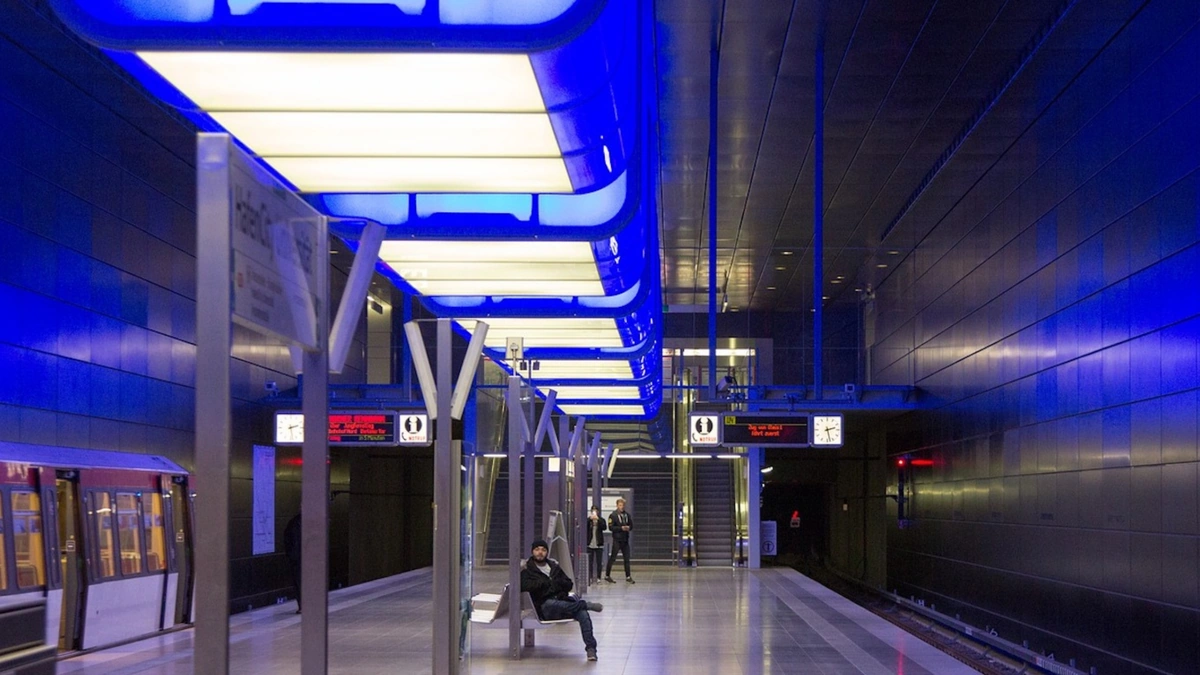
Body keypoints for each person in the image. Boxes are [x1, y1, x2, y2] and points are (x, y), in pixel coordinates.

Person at [520, 539, 603, 661]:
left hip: (563, 602)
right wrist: (546, 584)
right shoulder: (527, 570)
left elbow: (568, 583)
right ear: (532, 552)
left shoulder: (554, 567)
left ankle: (591, 649)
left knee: (583, 614)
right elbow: (525, 586)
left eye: (543, 550)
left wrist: (554, 584)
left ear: (547, 552)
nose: (540, 552)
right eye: (537, 549)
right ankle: (585, 604)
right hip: (544, 607)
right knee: (551, 604)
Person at [605, 498, 634, 583]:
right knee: (613, 558)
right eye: (620, 505)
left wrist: (628, 527)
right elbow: (611, 527)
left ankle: (628, 576)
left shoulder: (627, 515)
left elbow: (631, 525)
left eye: (623, 505)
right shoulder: (613, 515)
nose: (622, 507)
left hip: (625, 540)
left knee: (627, 559)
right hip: (617, 539)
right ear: (617, 505)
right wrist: (620, 528)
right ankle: (607, 575)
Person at [284, 511, 302, 614]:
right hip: (298, 558)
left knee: (299, 582)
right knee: (300, 582)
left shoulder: (294, 523)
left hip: (299, 558)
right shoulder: (294, 523)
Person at [586, 506, 606, 581]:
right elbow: (585, 526)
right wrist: (589, 519)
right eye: (593, 511)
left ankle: (598, 577)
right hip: (590, 544)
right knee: (590, 562)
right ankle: (590, 577)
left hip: (599, 544)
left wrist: (598, 520)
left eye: (596, 511)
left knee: (599, 562)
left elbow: (604, 527)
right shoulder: (589, 520)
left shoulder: (601, 520)